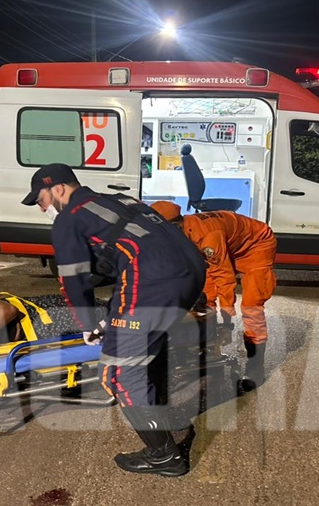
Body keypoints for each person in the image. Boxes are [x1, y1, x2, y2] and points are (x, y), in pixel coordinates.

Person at [22, 163, 206, 477]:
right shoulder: (123, 201)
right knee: (150, 348)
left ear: (58, 189)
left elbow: (73, 278)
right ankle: (169, 422)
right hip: (191, 272)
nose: (43, 209)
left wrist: (87, 324)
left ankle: (163, 456)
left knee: (119, 373)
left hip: (152, 281)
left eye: (41, 201)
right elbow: (120, 254)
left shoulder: (69, 218)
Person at [150, 201, 276, 390]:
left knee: (251, 307)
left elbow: (224, 279)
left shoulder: (208, 238)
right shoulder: (185, 229)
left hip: (257, 244)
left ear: (174, 226)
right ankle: (208, 346)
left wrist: (227, 321)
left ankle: (255, 370)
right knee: (206, 295)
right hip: (230, 243)